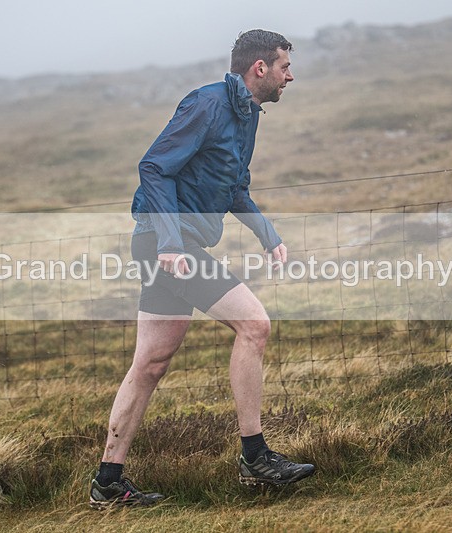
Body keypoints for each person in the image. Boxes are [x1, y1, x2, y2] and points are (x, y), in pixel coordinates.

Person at [89, 29, 315, 510]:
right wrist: (171, 243)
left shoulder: (248, 115)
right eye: (284, 66)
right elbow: (153, 168)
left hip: (171, 246)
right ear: (260, 68)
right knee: (254, 325)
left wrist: (267, 233)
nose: (289, 75)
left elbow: (234, 187)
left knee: (150, 363)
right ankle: (255, 457)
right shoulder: (206, 104)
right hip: (167, 245)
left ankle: (108, 482)